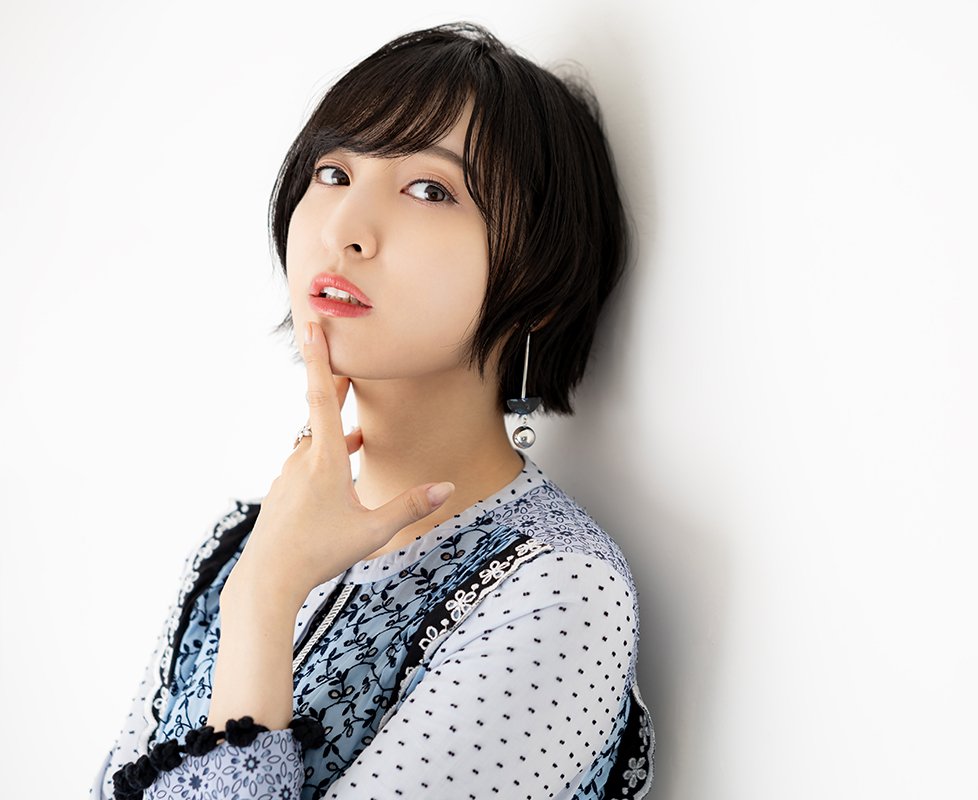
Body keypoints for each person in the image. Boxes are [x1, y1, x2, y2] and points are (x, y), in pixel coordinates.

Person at [90, 21, 654, 800]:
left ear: (540, 285)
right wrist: (259, 576)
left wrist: (264, 602)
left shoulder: (559, 592)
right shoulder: (236, 547)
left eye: (431, 190)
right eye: (332, 173)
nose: (343, 230)